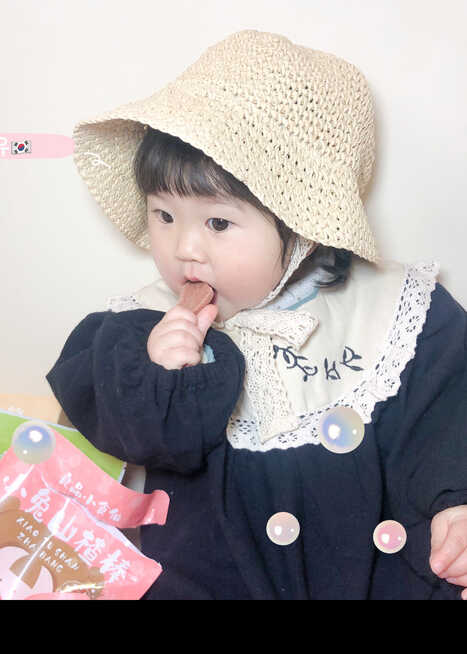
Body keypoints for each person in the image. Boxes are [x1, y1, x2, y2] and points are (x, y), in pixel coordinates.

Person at [46, 29, 467, 600]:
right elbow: (124, 436)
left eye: (217, 223)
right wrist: (159, 375)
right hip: (212, 572)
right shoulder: (142, 324)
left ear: (302, 228)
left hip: (375, 566)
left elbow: (448, 412)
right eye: (164, 215)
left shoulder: (393, 312)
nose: (184, 248)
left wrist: (455, 501)